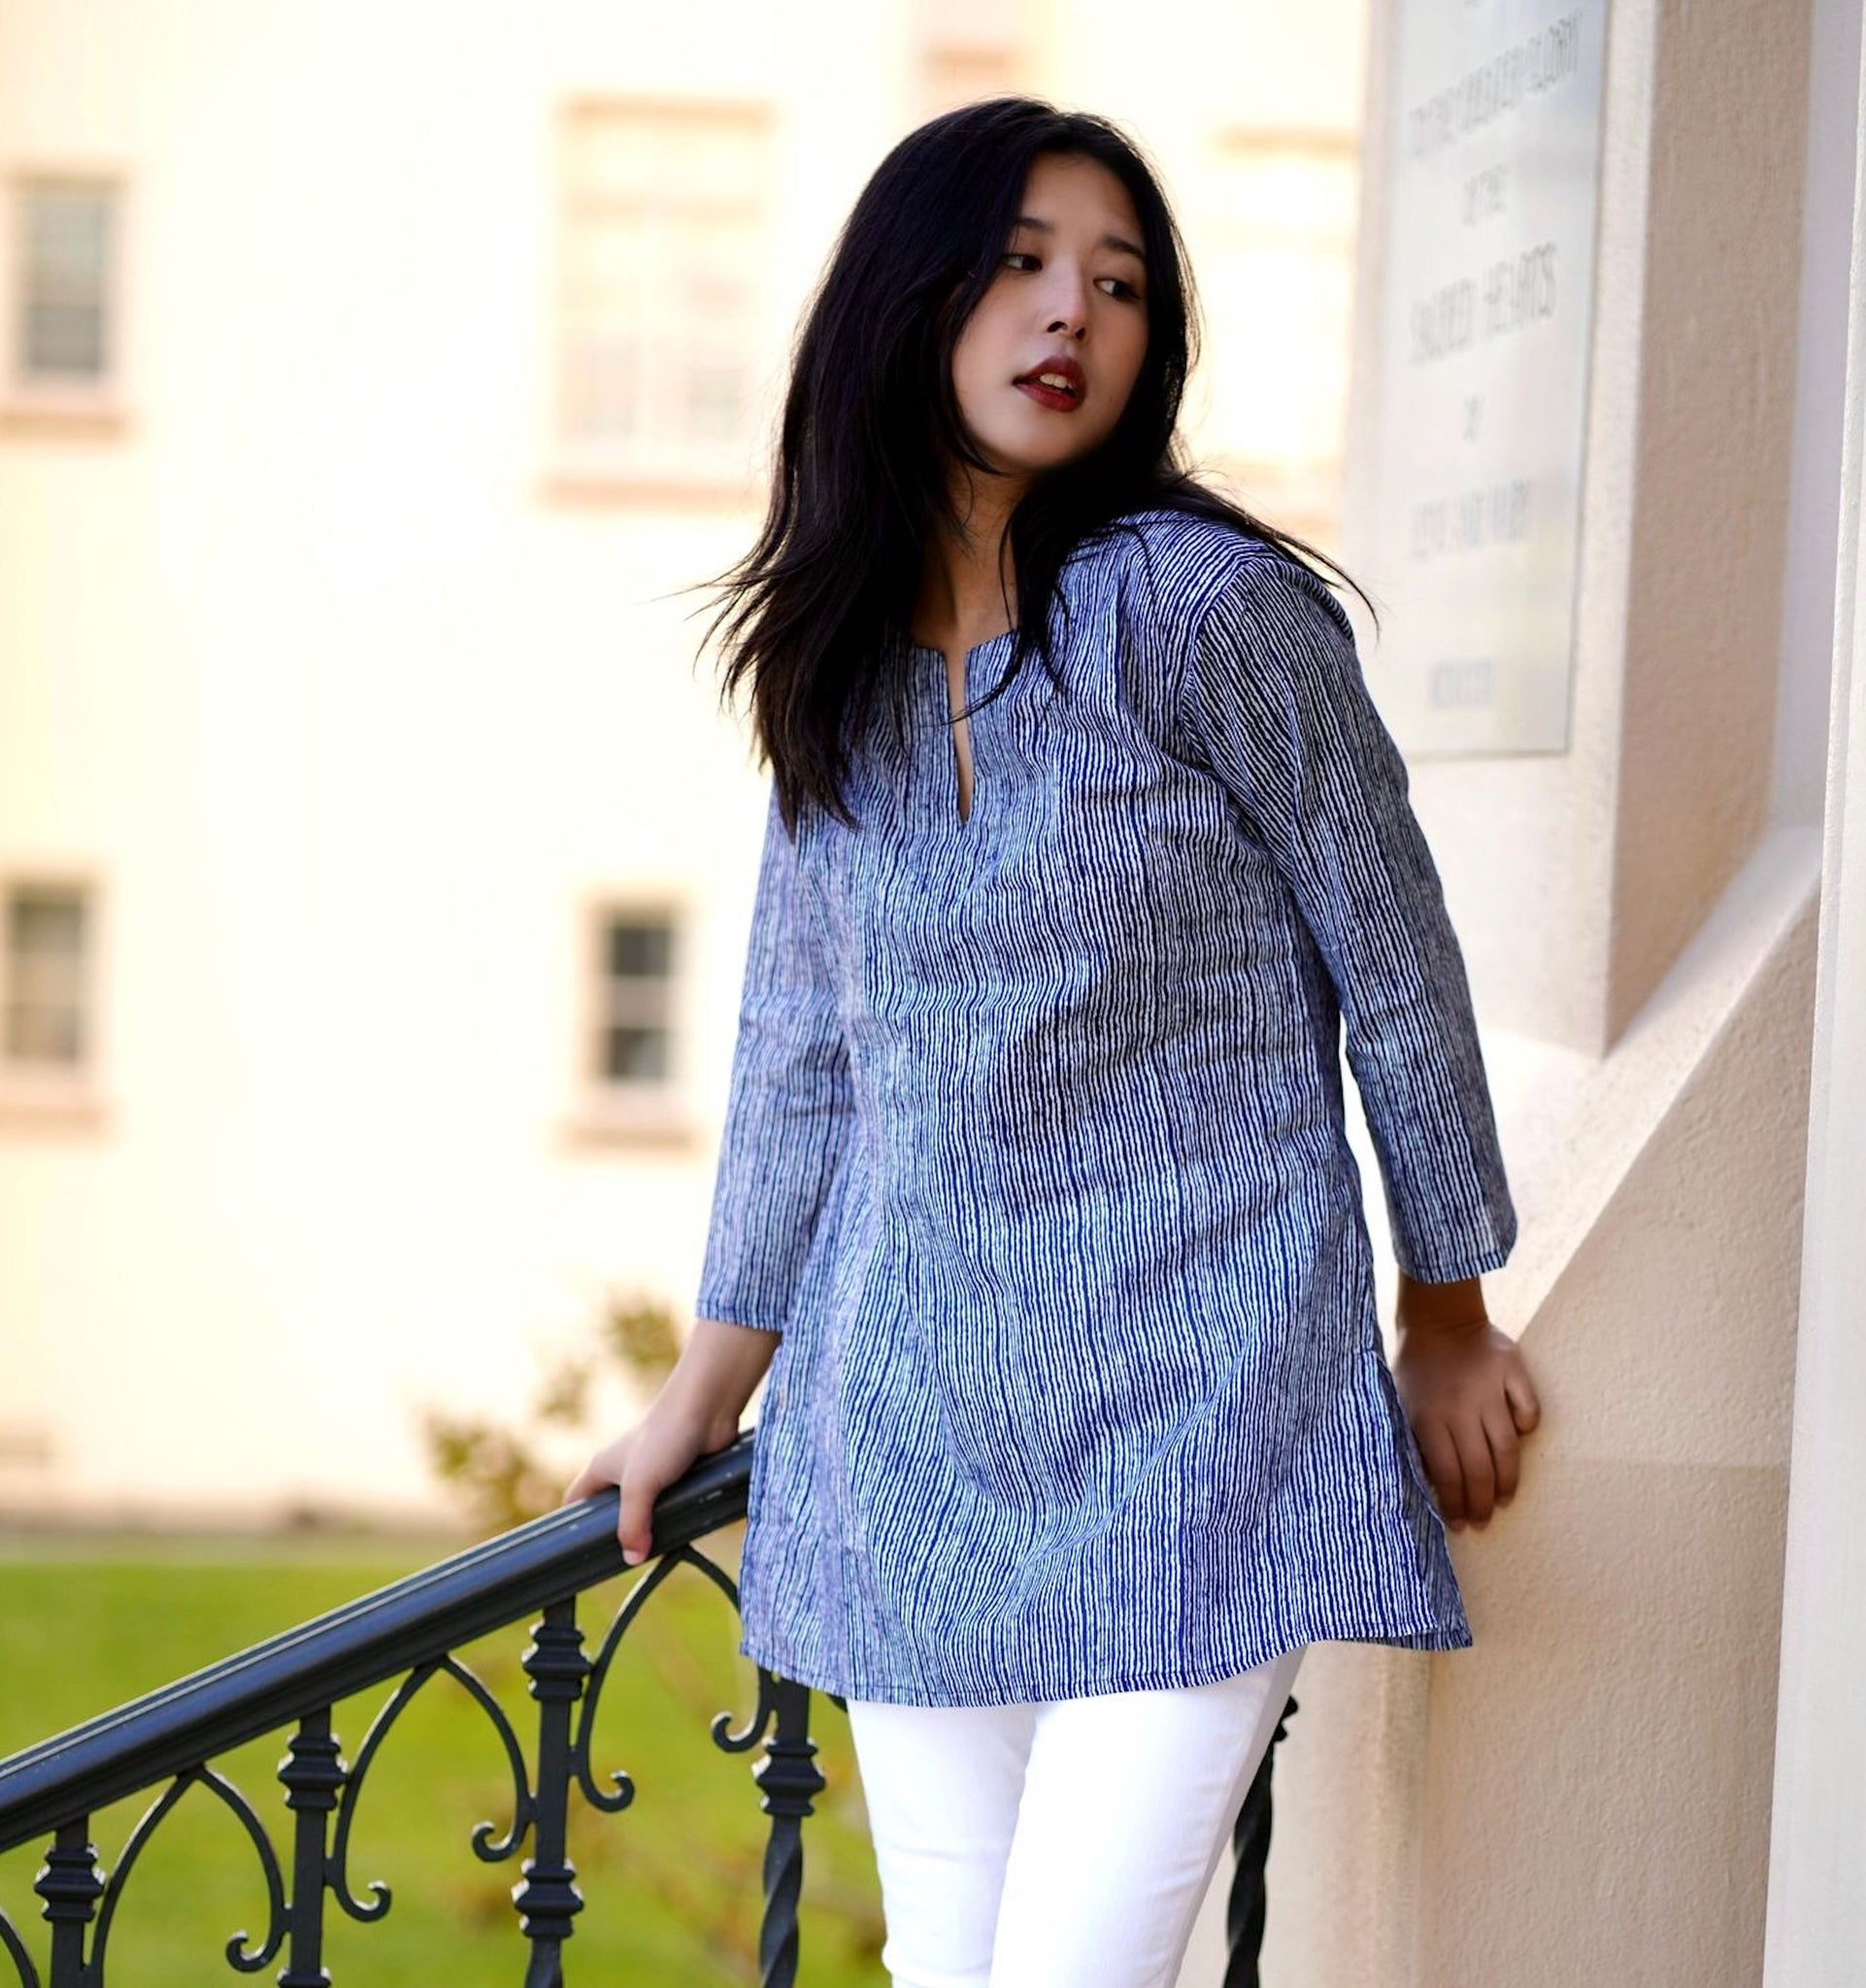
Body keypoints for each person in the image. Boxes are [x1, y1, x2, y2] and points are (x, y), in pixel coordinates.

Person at [567, 95, 1542, 1988]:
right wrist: (704, 1388)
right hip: (913, 1437)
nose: (1069, 313)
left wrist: (1444, 1310)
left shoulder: (1202, 613)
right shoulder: (837, 664)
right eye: (1018, 263)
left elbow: (1395, 957)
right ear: (906, 298)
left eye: (1116, 282)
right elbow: (798, 1052)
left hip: (1200, 1418)